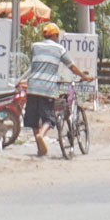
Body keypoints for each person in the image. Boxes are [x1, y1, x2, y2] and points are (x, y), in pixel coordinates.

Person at [23, 22, 93, 157]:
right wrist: (84, 76)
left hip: (32, 87)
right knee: (49, 118)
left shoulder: (35, 46)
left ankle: (40, 149)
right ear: (55, 35)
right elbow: (71, 66)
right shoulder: (59, 49)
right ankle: (41, 136)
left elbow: (36, 64)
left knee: (33, 119)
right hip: (47, 88)